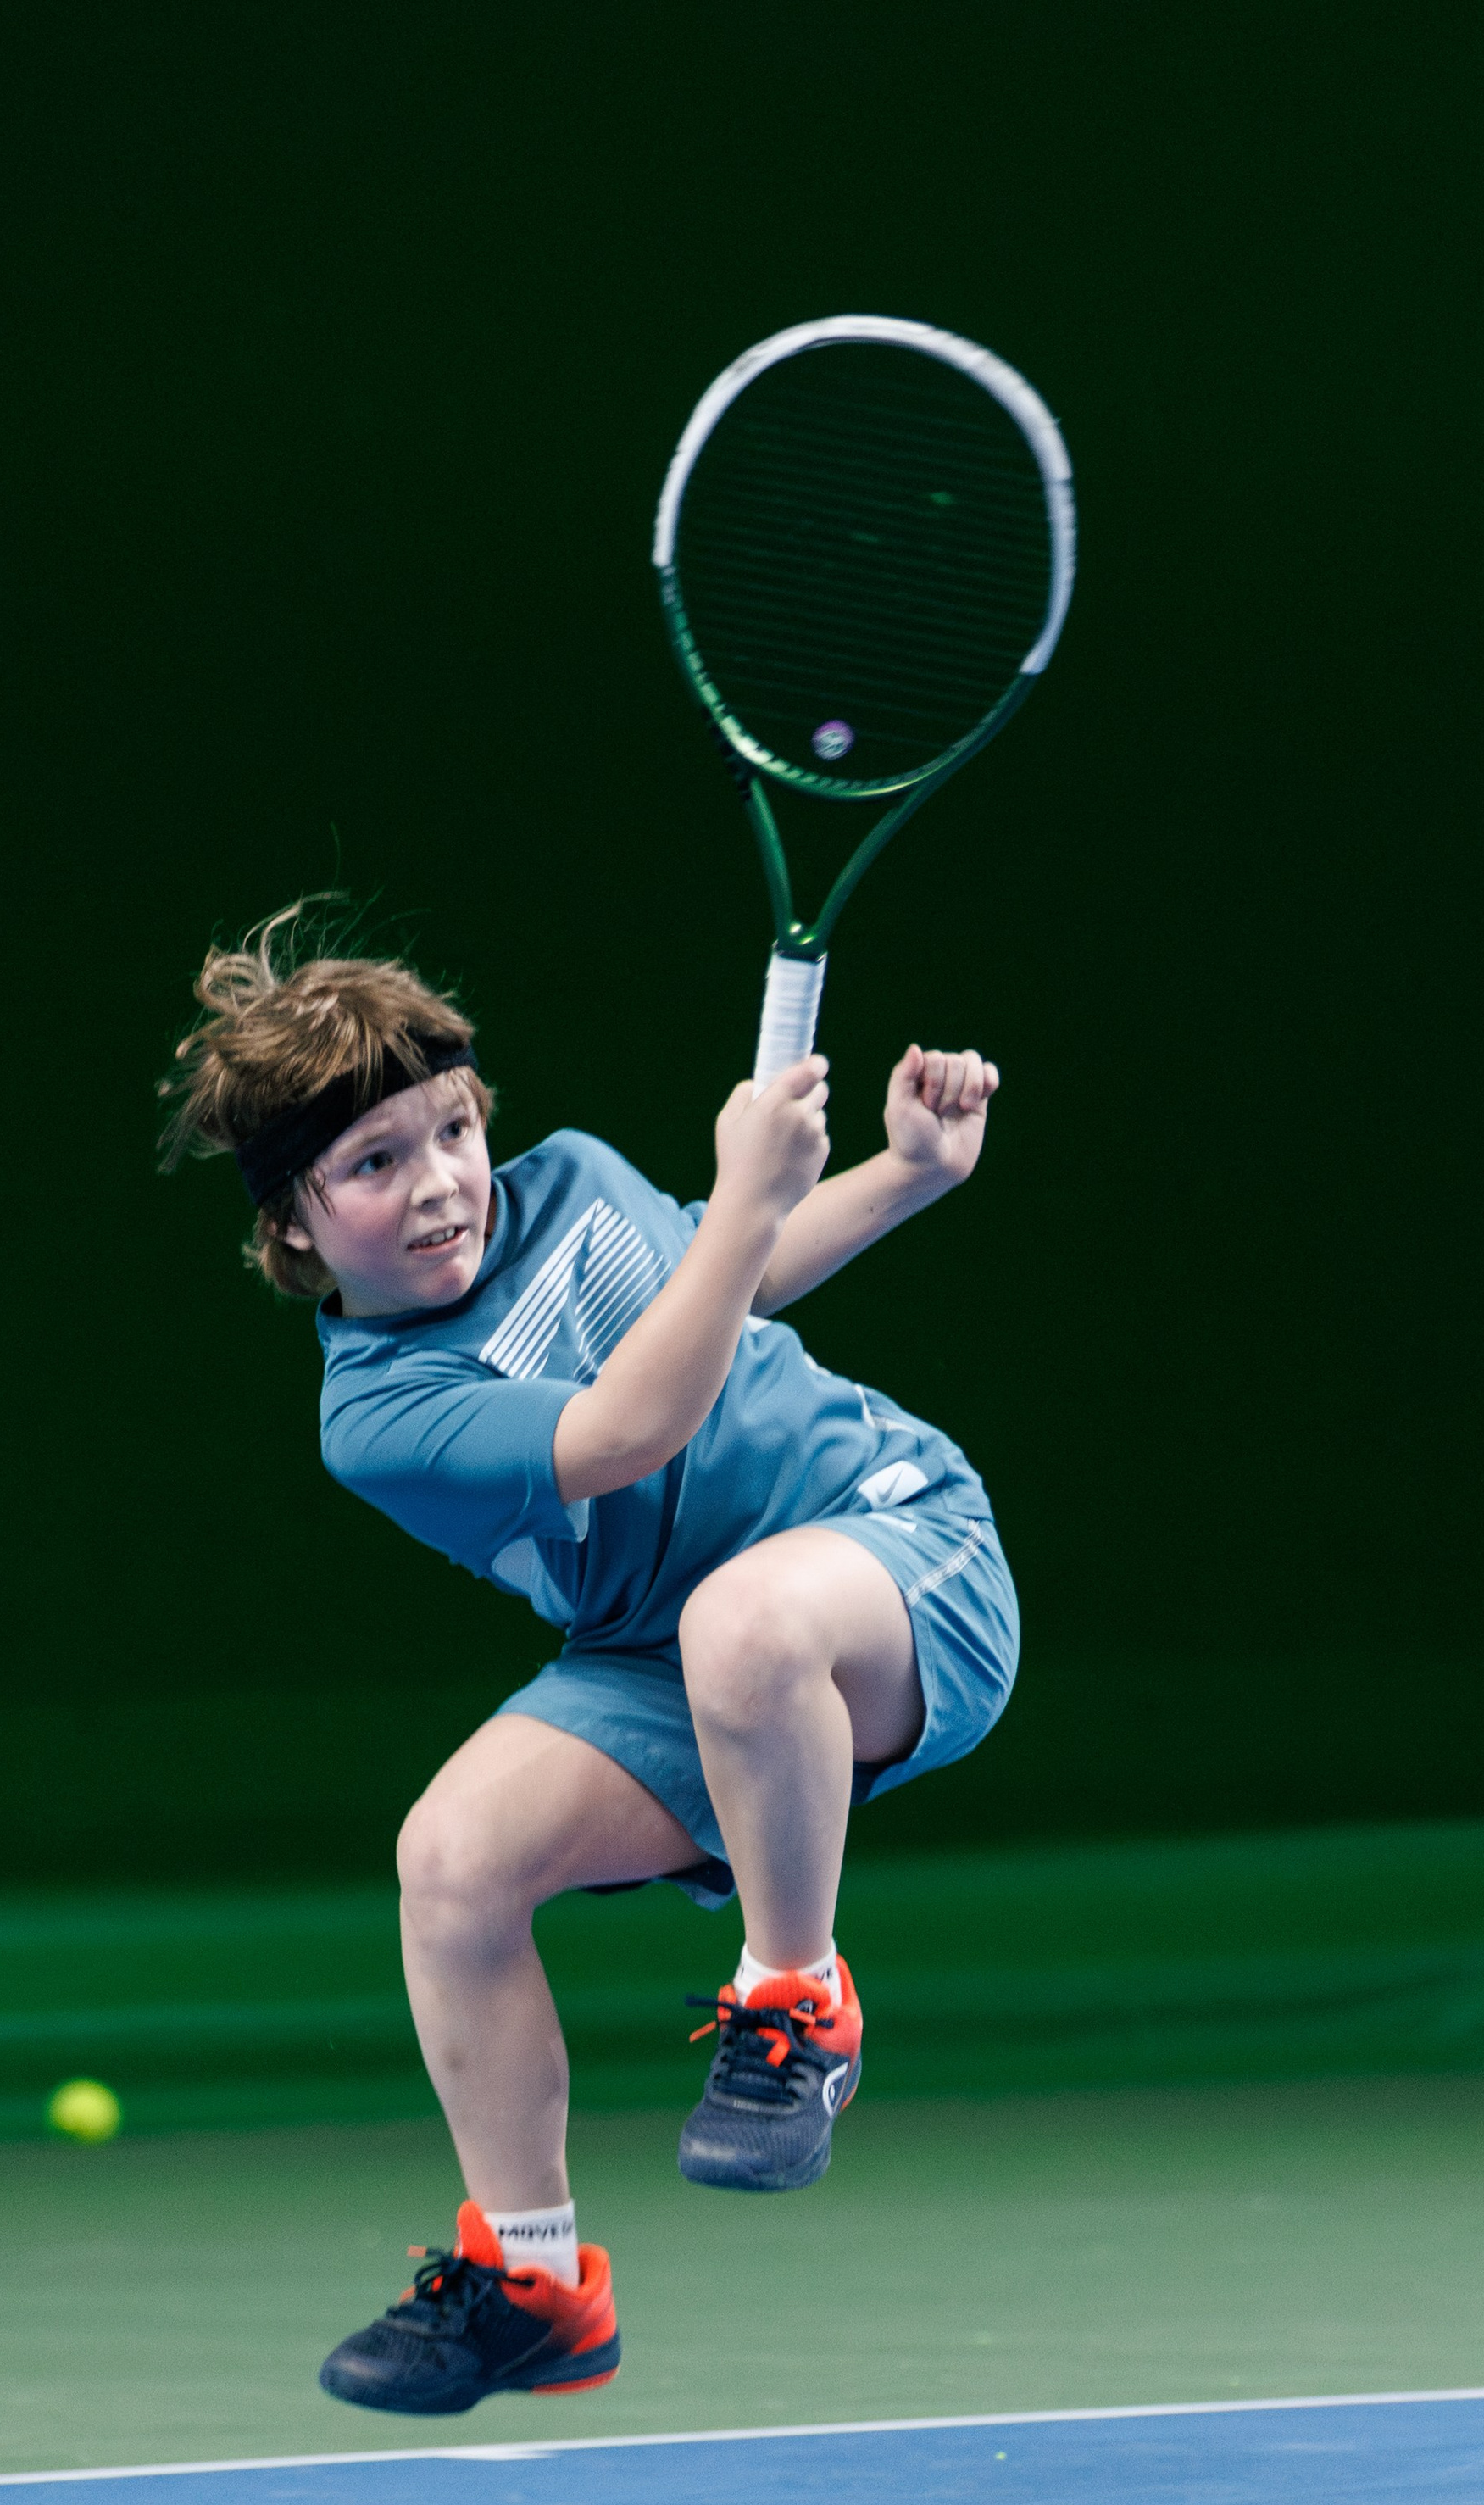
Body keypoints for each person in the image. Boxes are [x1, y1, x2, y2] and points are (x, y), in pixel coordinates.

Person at [160, 906, 1020, 2414]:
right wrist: (749, 1202)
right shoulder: (381, 1410)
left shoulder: (567, 1181)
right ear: (292, 1222)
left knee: (746, 1624)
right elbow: (629, 1426)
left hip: (892, 1551)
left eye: (450, 1128)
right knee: (452, 1859)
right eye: (373, 1164)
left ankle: (796, 1997)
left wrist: (902, 1176)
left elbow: (722, 1288)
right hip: (662, 1650)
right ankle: (535, 2280)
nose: (438, 1185)